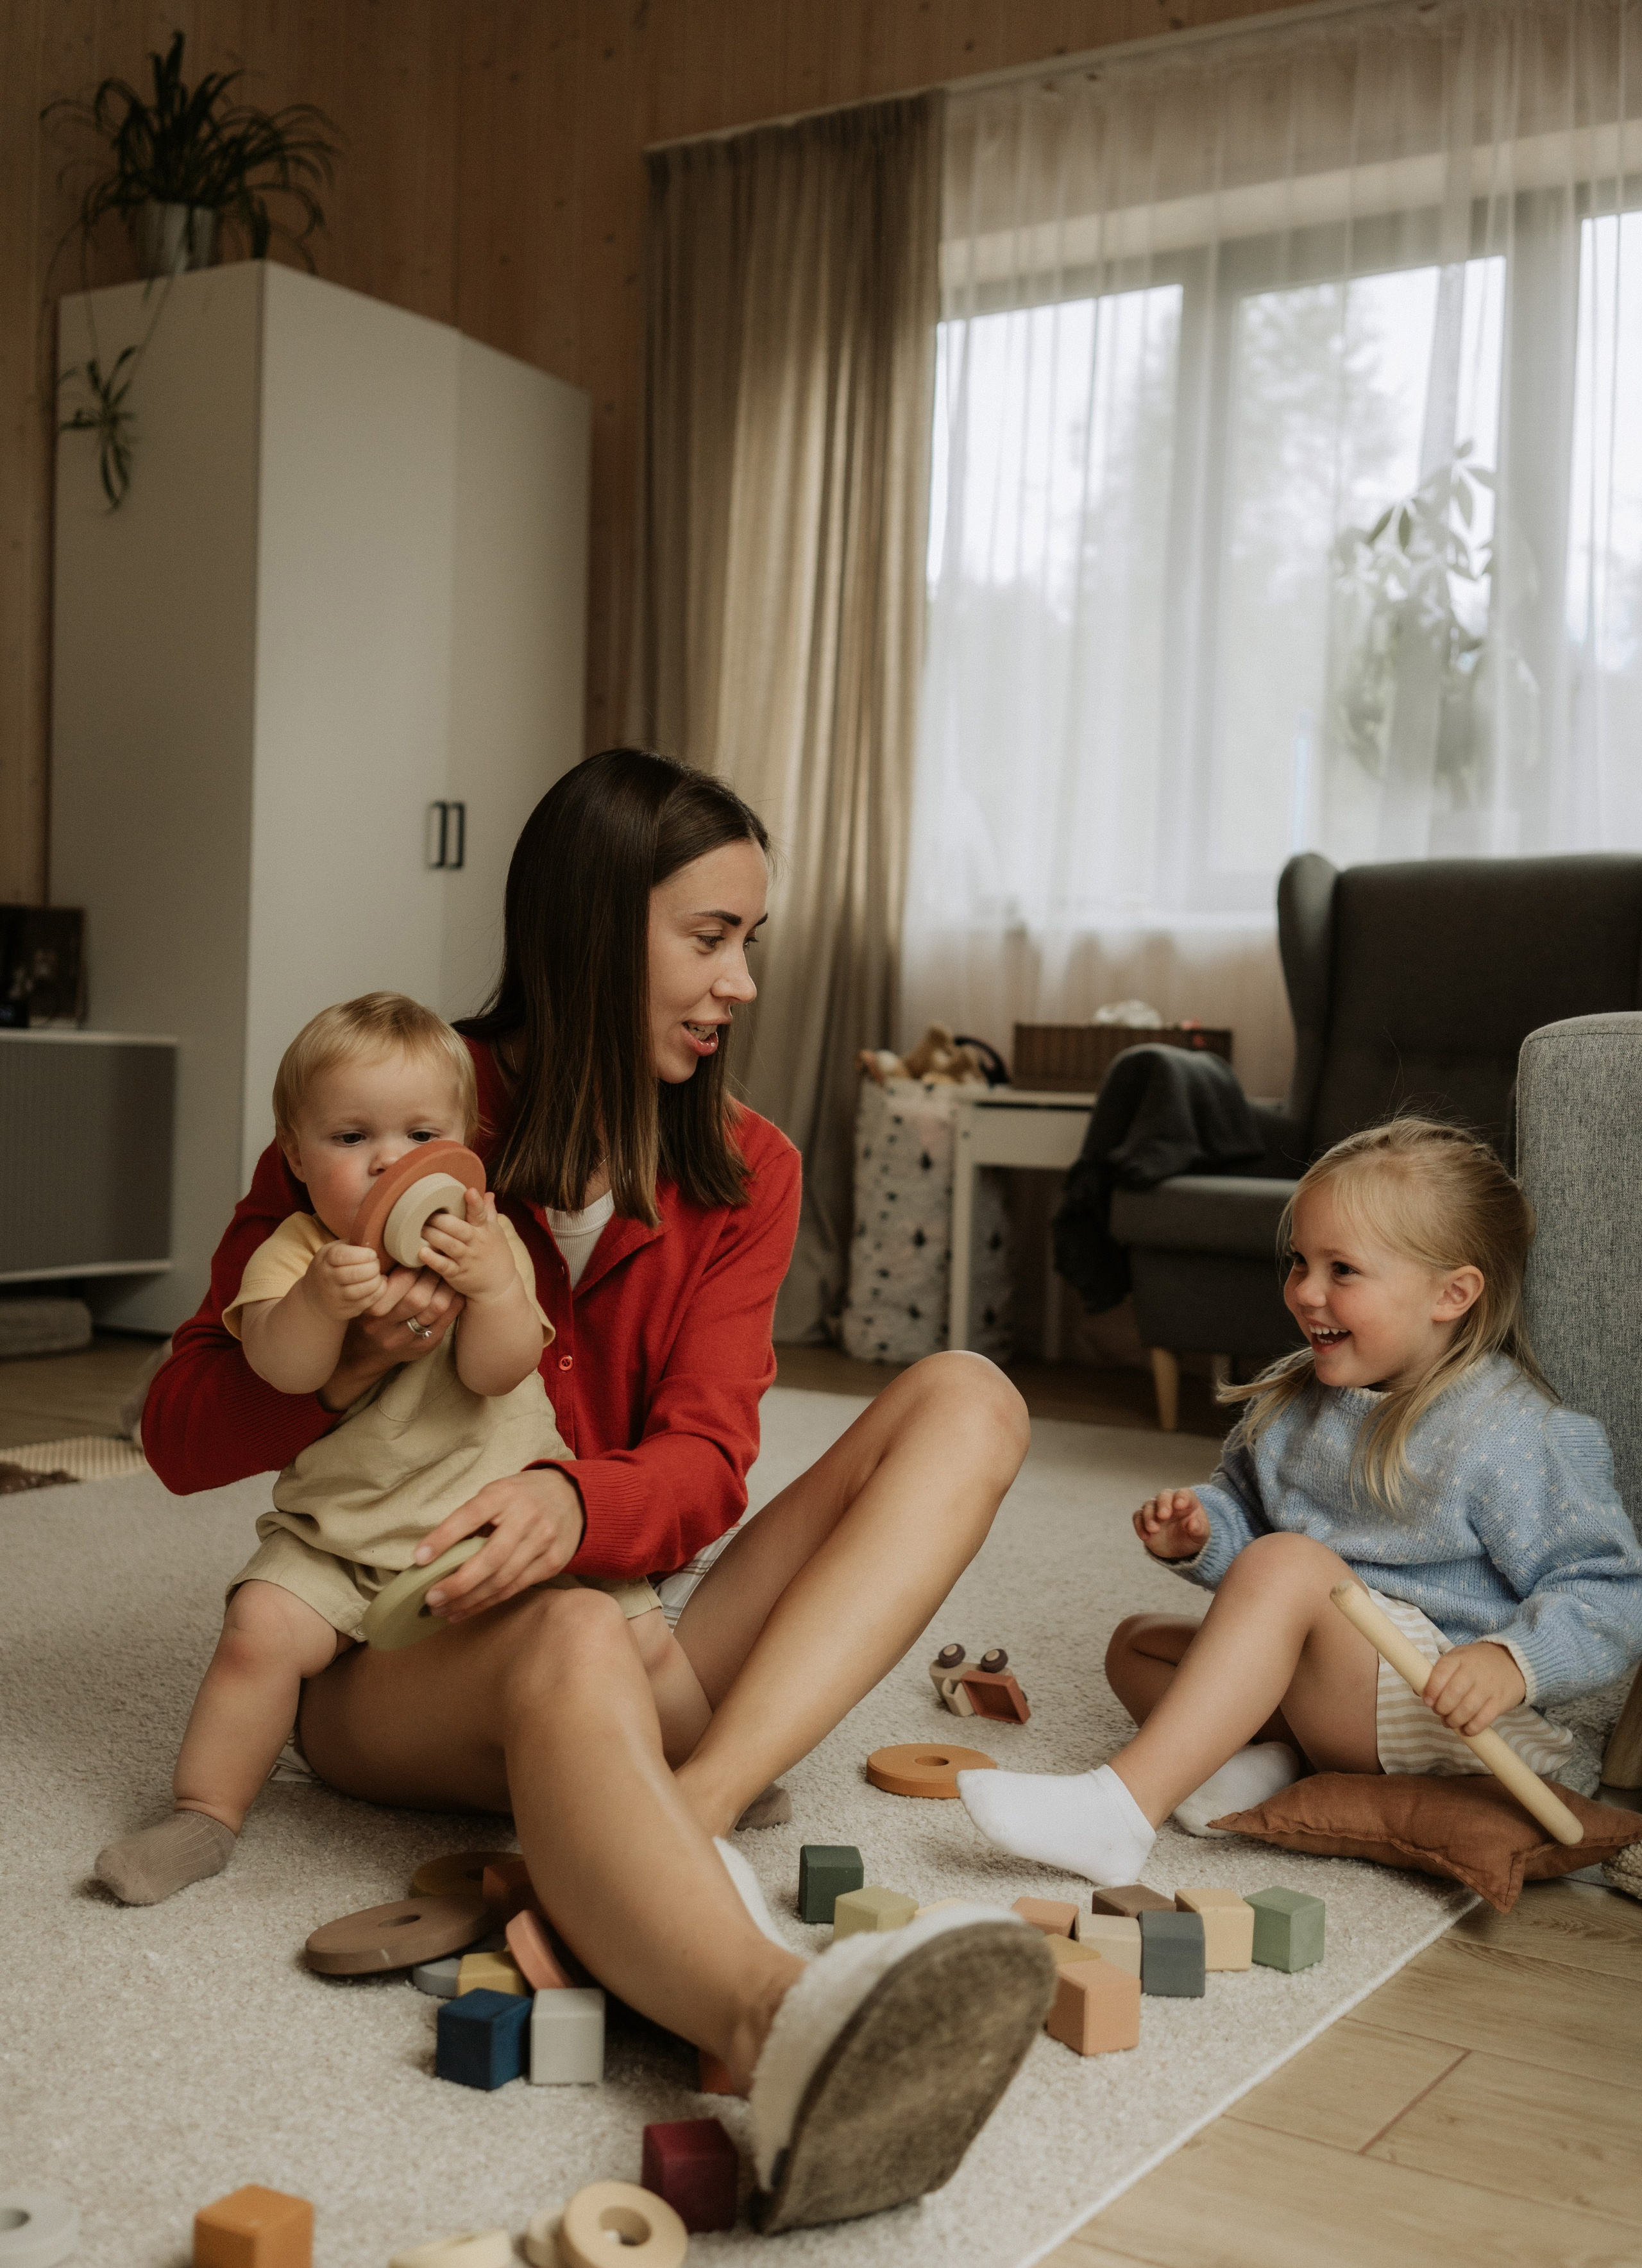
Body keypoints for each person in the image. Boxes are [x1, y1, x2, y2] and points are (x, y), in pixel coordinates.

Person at [133, 749, 1053, 2231]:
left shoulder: (747, 1165)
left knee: (968, 1397)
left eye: (751, 941)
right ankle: (768, 2014)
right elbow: (175, 1430)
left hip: (628, 1625)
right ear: (589, 925)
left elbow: (706, 1461)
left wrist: (577, 1501)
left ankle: (681, 1819)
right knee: (568, 1636)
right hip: (404, 1652)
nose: (741, 983)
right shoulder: (382, 1113)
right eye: (707, 939)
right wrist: (344, 1360)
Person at [96, 993, 708, 1907]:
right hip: (341, 1539)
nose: (389, 1158)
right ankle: (204, 1812)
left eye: (421, 1132)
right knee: (258, 1625)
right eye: (351, 1137)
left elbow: (504, 1369)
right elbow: (280, 1368)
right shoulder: (296, 1254)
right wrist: (320, 1308)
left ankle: (707, 1765)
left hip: (494, 1523)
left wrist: (496, 1284)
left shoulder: (488, 1242)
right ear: (296, 1157)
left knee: (641, 1637)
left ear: (463, 1146)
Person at [959, 1117, 1642, 1886]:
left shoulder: (1517, 1435)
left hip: (1455, 1714)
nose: (1305, 1291)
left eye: (1341, 1269)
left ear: (1452, 1293)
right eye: (1298, 1261)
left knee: (1287, 1564)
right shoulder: (1298, 1398)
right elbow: (1247, 1517)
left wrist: (1511, 1662)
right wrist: (1203, 1531)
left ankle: (1119, 1811)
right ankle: (1276, 1759)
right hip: (1343, 1693)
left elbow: (1609, 1591)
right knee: (1137, 1646)